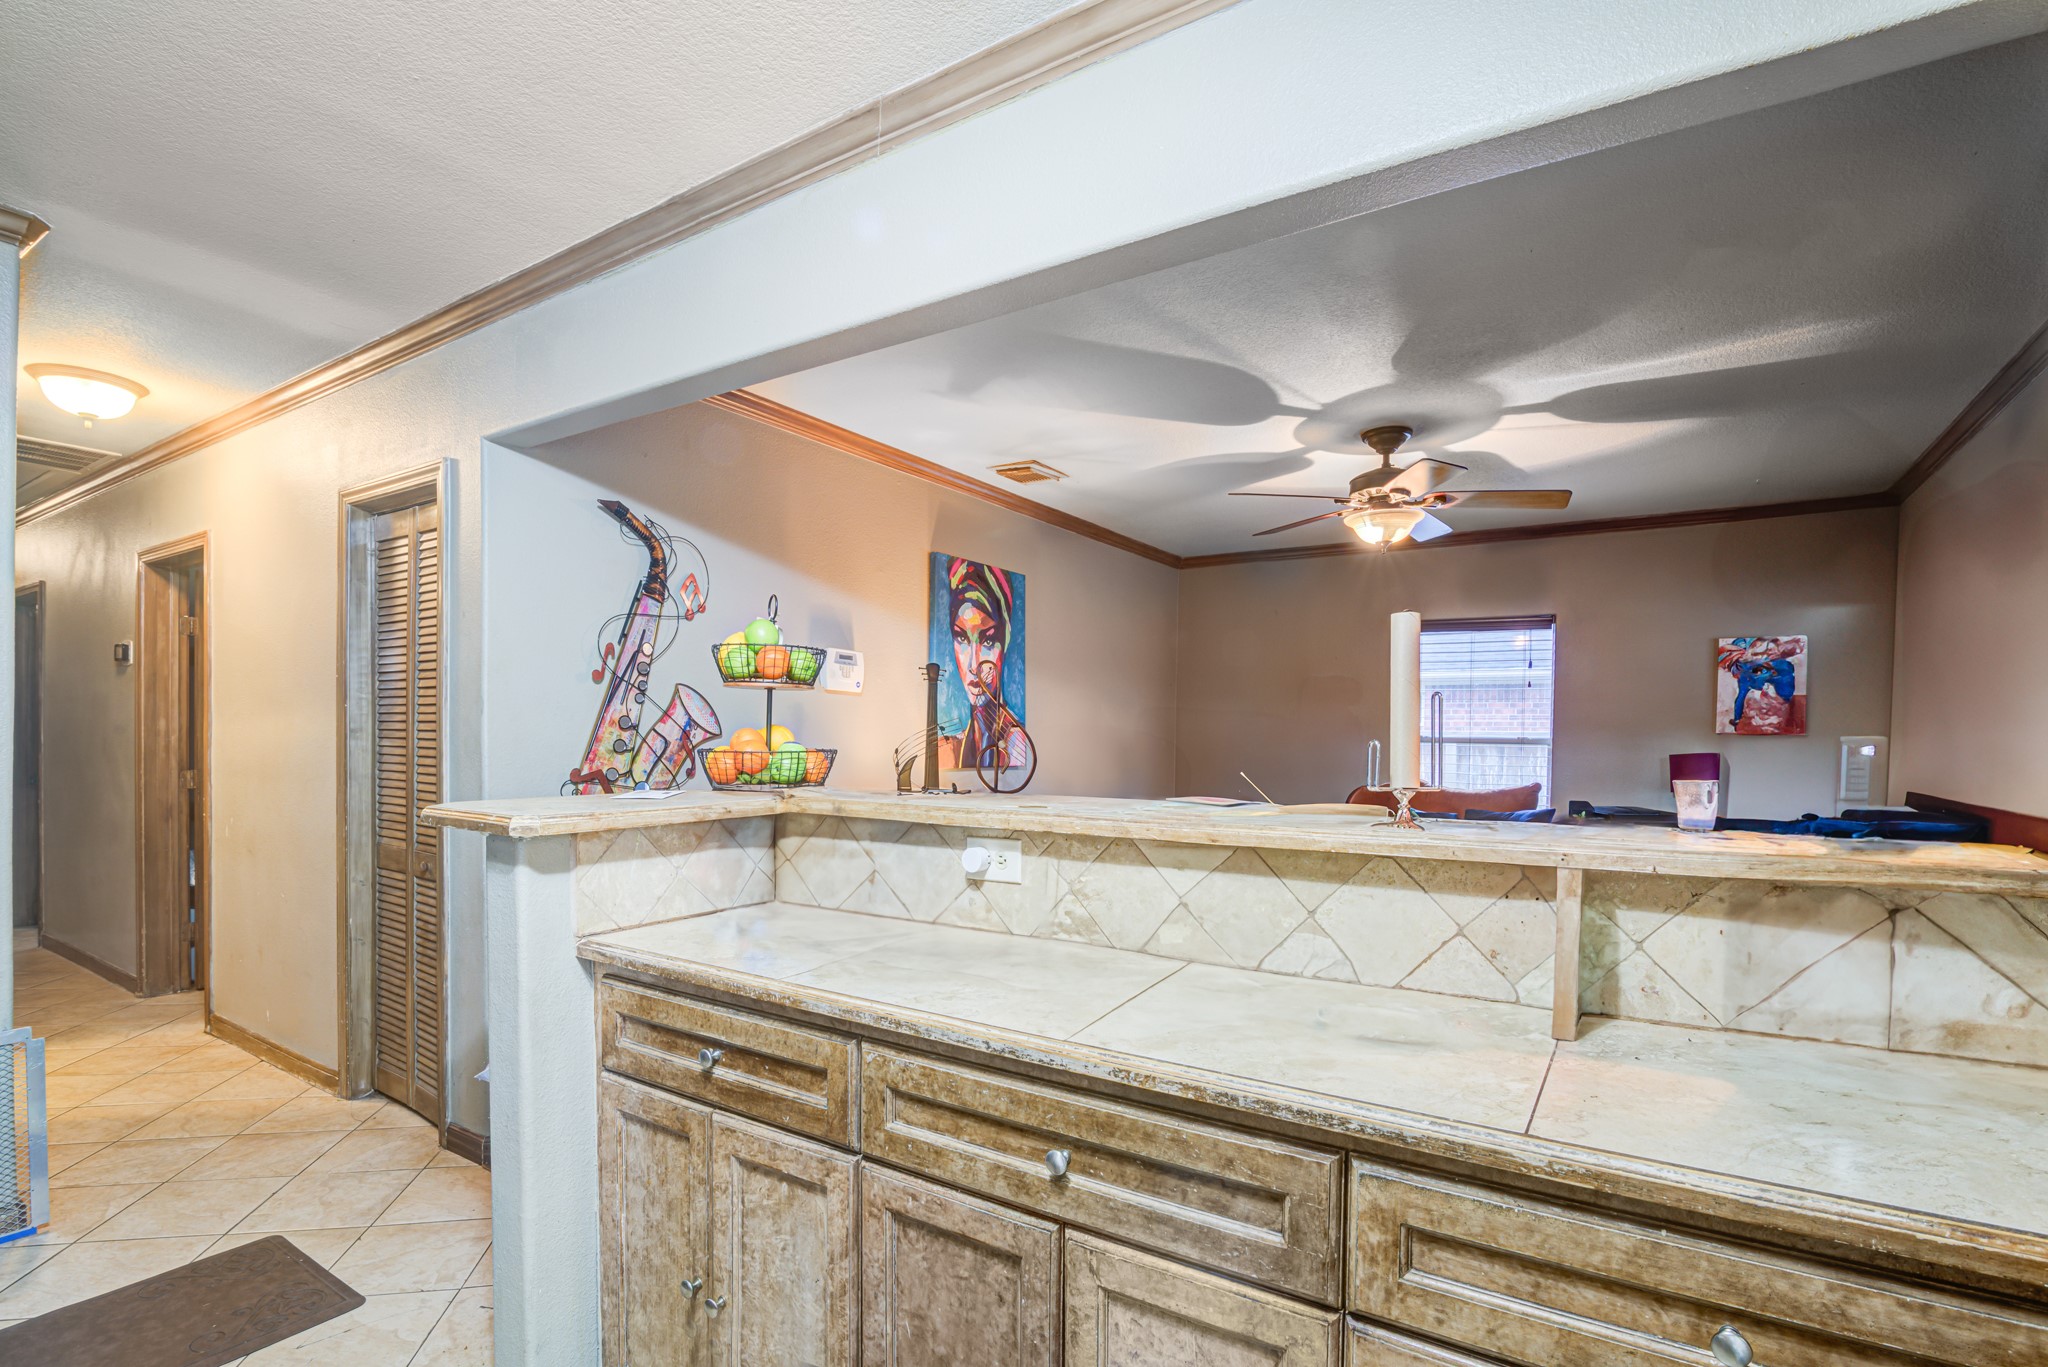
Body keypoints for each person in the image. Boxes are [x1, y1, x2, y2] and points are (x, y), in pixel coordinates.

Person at [936, 558, 1029, 772]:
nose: (973, 664)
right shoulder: (948, 749)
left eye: (987, 641)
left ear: (1005, 639)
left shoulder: (1018, 744)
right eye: (962, 639)